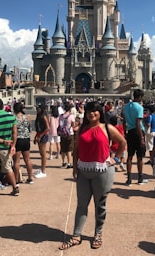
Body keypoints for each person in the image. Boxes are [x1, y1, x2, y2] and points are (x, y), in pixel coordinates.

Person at [59, 101, 126, 250]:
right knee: (82, 204)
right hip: (84, 170)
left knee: (100, 205)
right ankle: (76, 235)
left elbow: (122, 142)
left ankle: (98, 233)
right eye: (89, 111)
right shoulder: (81, 129)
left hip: (103, 171)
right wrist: (75, 167)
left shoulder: (107, 128)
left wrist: (115, 159)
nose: (92, 114)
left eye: (95, 111)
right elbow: (76, 150)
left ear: (100, 112)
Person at [123, 89, 147, 186]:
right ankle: (140, 177)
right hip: (138, 131)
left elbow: (124, 121)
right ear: (140, 97)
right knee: (139, 157)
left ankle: (129, 179)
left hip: (130, 131)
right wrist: (141, 138)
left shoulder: (126, 107)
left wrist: (125, 132)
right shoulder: (139, 107)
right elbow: (138, 123)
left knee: (130, 156)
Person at [13, 102, 33, 184]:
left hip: (18, 139)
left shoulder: (14, 118)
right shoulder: (27, 117)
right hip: (26, 138)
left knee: (16, 161)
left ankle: (16, 179)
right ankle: (30, 177)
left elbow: (14, 132)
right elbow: (30, 129)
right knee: (27, 159)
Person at [34, 104, 50, 178]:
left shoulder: (43, 116)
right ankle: (41, 168)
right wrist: (36, 136)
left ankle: (43, 171)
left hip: (43, 135)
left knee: (43, 154)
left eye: (38, 108)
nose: (37, 109)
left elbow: (47, 128)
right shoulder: (38, 116)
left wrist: (40, 136)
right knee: (41, 153)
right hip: (39, 135)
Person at [59, 102, 75, 168]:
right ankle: (69, 163)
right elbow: (73, 124)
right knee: (69, 149)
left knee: (63, 149)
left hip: (62, 133)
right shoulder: (71, 116)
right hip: (69, 133)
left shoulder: (61, 116)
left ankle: (63, 162)